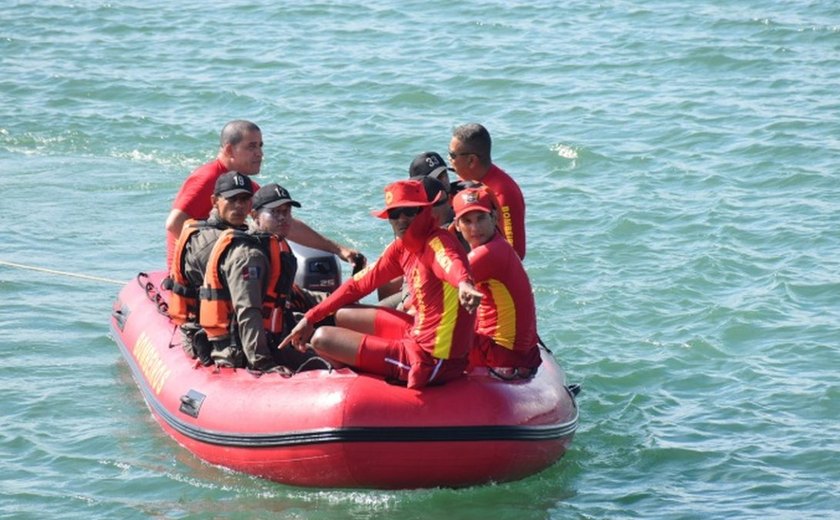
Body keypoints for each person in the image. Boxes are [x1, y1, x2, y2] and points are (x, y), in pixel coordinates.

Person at [280, 179, 483, 389]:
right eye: (395, 214)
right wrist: (310, 317)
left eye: (409, 212)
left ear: (424, 211)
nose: (401, 220)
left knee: (322, 338)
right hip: (416, 332)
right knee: (342, 314)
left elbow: (449, 262)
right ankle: (358, 361)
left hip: (434, 359)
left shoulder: (438, 243)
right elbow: (357, 286)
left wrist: (464, 284)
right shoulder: (401, 249)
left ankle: (358, 377)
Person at [165, 120, 365, 271]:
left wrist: (339, 250)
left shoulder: (245, 185)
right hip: (197, 272)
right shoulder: (207, 177)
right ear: (229, 149)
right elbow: (174, 224)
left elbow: (288, 224)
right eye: (251, 146)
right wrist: (222, 252)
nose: (260, 153)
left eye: (261, 146)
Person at [168, 171, 257, 364]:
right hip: (215, 340)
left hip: (233, 329)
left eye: (244, 199)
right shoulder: (209, 243)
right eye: (232, 199)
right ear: (215, 201)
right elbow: (247, 301)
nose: (239, 206)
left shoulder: (242, 235)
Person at [452, 186, 541, 378]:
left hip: (500, 356)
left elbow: (432, 292)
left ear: (493, 218)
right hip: (520, 354)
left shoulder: (488, 254)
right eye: (467, 221)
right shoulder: (499, 244)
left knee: (409, 326)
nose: (475, 228)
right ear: (457, 225)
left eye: (481, 218)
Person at [448, 123, 527, 259]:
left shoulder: (503, 193)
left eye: (453, 155)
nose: (449, 159)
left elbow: (514, 252)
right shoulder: (465, 178)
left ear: (471, 160)